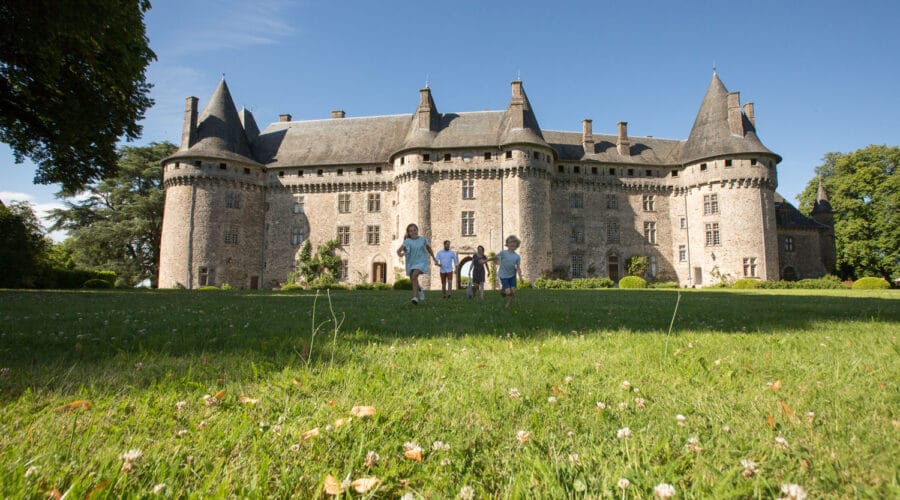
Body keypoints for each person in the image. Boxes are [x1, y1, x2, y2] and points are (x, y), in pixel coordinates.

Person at [396, 223, 438, 305]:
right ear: (408, 233)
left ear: (417, 230)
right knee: (413, 278)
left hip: (421, 261)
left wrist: (434, 258)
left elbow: (429, 249)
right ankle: (420, 289)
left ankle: (415, 297)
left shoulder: (423, 239)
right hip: (411, 262)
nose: (413, 232)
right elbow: (398, 251)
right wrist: (402, 254)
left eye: (414, 230)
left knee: (414, 275)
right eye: (411, 231)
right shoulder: (407, 242)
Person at [495, 235, 522, 307]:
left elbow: (518, 268)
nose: (512, 244)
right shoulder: (503, 253)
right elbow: (495, 258)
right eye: (510, 242)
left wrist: (521, 278)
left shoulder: (517, 257)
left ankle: (508, 305)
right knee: (508, 292)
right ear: (507, 244)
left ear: (517, 244)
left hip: (512, 275)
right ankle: (503, 290)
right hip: (504, 275)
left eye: (514, 242)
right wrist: (485, 260)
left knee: (513, 291)